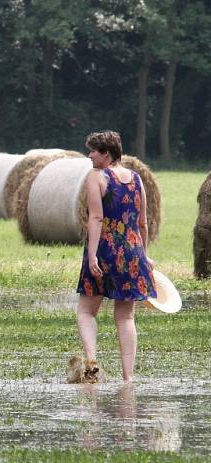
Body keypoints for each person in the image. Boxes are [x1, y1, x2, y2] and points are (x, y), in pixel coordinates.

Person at [76, 131, 155, 382]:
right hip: (133, 252)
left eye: (93, 151)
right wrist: (145, 256)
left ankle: (91, 362)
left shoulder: (97, 177)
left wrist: (92, 256)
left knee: (87, 311)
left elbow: (96, 218)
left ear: (106, 154)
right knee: (126, 316)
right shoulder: (137, 179)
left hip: (106, 250)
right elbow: (142, 223)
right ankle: (128, 377)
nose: (89, 156)